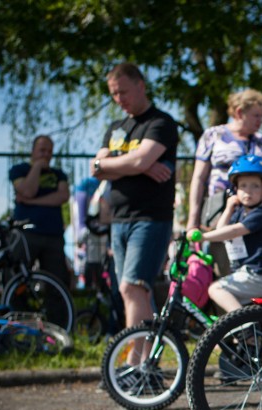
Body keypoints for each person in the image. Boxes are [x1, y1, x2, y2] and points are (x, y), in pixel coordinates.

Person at [90, 62, 179, 332]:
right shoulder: (117, 127)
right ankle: (145, 364)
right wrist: (138, 164)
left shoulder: (160, 122)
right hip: (119, 220)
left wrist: (123, 164)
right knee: (131, 291)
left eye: (123, 92)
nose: (119, 100)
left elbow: (131, 161)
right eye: (114, 94)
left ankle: (135, 363)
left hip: (150, 218)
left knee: (132, 287)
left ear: (141, 85)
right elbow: (96, 168)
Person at [186, 88, 262, 276]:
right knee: (221, 267)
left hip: (251, 212)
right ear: (240, 113)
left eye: (261, 116)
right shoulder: (214, 135)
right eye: (256, 115)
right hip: (219, 209)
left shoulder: (260, 141)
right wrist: (193, 219)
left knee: (249, 267)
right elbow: (199, 178)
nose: (260, 121)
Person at [196, 155, 262, 312]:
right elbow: (221, 231)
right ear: (235, 190)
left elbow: (234, 231)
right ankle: (245, 332)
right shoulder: (239, 212)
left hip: (260, 276)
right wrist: (228, 209)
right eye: (243, 186)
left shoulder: (260, 214)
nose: (248, 191)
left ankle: (244, 329)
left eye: (255, 186)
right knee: (230, 301)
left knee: (216, 289)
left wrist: (203, 236)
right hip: (247, 275)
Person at [9, 135, 71, 287]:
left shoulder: (58, 174)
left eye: (49, 151)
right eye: (42, 150)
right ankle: (17, 310)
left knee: (57, 282)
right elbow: (28, 190)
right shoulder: (19, 170)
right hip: (26, 234)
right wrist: (36, 167)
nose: (46, 155)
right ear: (32, 151)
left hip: (53, 235)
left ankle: (56, 311)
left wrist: (31, 201)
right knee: (16, 279)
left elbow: (62, 196)